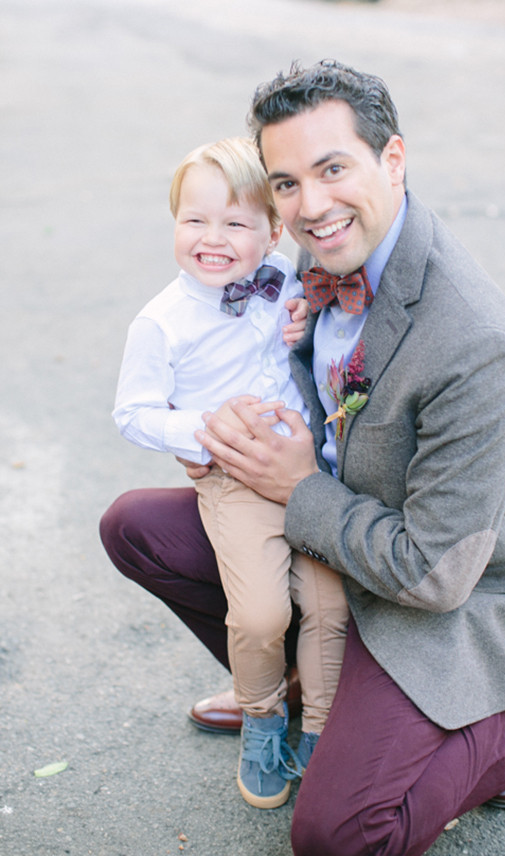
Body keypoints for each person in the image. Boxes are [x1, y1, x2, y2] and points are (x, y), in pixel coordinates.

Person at [100, 61, 505, 855]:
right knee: (133, 528)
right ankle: (287, 691)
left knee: (336, 835)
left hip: (439, 597)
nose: (311, 205)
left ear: (393, 160)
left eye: (332, 169)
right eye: (286, 183)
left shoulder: (471, 337)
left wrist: (297, 484)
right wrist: (225, 436)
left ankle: (500, 727)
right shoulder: (308, 270)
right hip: (336, 535)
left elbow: (435, 572)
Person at [110, 136, 349, 810]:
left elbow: (304, 344)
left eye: (236, 223)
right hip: (235, 476)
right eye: (195, 220)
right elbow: (132, 412)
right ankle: (264, 717)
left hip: (308, 470)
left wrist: (303, 317)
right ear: (174, 223)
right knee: (262, 611)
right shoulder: (161, 323)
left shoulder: (283, 285)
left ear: (273, 232)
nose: (213, 239)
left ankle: (322, 728)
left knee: (330, 604)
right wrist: (203, 428)